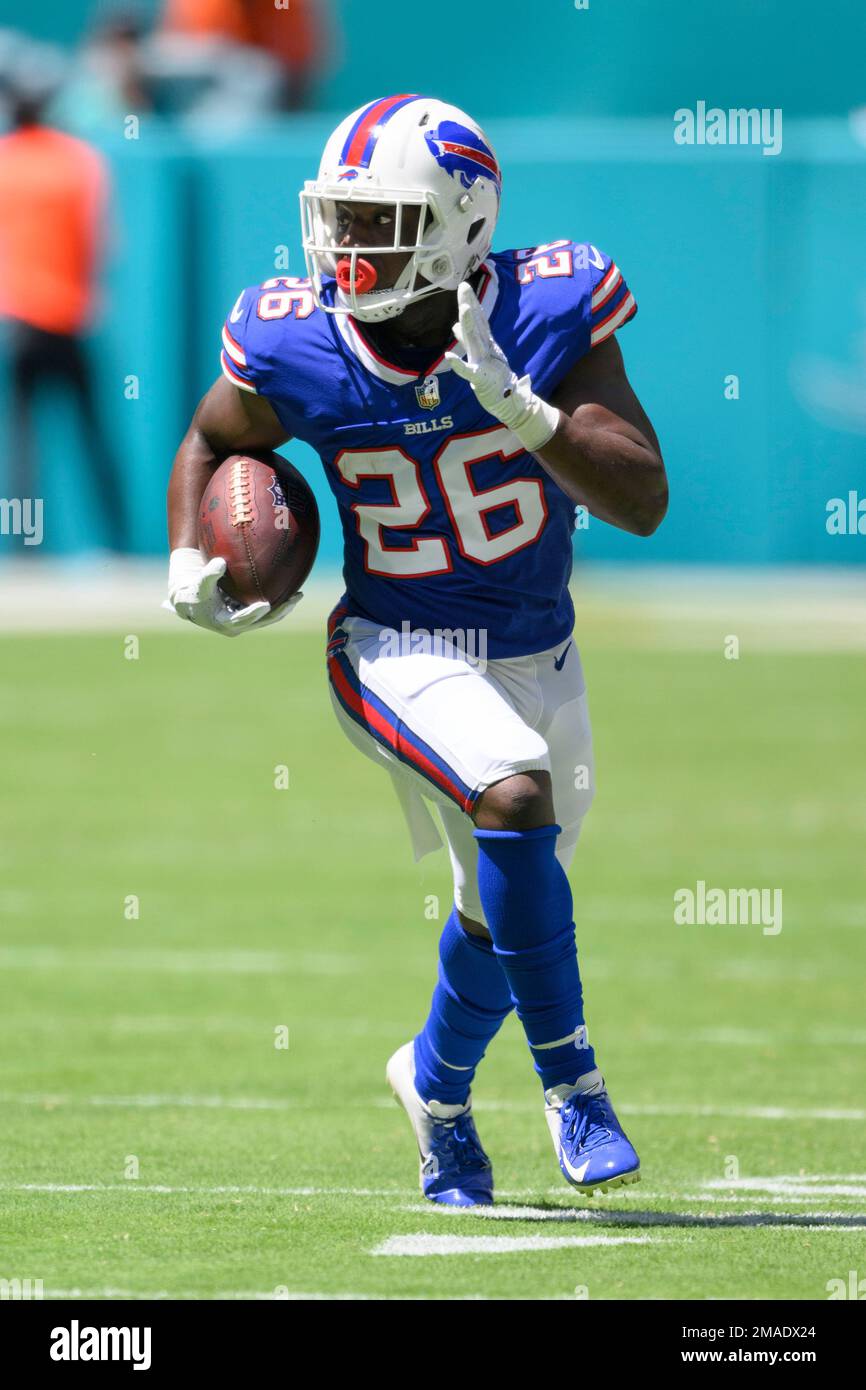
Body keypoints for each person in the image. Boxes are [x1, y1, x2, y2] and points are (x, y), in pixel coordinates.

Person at [165, 95, 668, 1205]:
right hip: (392, 641)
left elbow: (642, 498)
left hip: (540, 648)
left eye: (379, 221)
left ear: (461, 225)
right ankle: (572, 1084)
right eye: (337, 219)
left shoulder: (545, 307)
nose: (346, 248)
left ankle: (433, 1091)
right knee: (511, 791)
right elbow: (211, 437)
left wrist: (525, 413)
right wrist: (181, 559)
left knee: (500, 913)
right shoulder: (294, 336)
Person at [0, 83, 126, 550]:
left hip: (20, 321)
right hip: (70, 318)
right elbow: (102, 241)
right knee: (94, 441)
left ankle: (26, 548)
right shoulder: (78, 160)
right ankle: (116, 543)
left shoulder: (6, 160)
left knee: (24, 445)